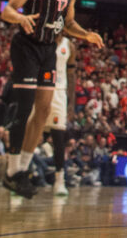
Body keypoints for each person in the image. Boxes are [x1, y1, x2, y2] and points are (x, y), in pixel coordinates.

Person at [0, 0, 104, 199]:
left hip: (49, 50)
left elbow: (68, 23)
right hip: (27, 46)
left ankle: (21, 169)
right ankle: (11, 171)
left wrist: (86, 35)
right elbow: (7, 10)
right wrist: (20, 18)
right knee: (24, 108)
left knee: (43, 110)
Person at [31, 34, 76, 196]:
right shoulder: (42, 39)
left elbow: (71, 75)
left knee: (58, 137)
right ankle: (20, 173)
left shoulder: (69, 45)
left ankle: (59, 180)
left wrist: (71, 103)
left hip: (59, 92)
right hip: (40, 89)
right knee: (31, 133)